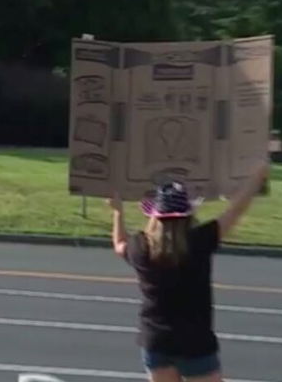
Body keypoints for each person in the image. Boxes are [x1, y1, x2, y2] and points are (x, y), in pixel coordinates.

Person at [109, 164, 268, 382]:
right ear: (187, 213)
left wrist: (117, 211)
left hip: (156, 341)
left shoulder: (141, 247)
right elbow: (235, 210)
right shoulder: (200, 241)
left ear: (155, 215)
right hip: (196, 343)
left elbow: (119, 243)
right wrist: (256, 178)